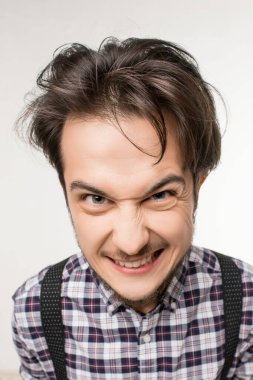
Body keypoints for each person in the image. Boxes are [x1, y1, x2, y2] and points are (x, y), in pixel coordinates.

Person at [12, 37, 253, 379]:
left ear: (197, 187)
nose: (131, 243)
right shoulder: (34, 310)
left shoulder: (247, 303)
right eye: (96, 199)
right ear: (66, 194)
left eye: (159, 196)